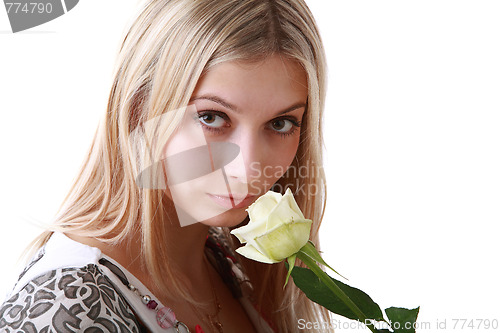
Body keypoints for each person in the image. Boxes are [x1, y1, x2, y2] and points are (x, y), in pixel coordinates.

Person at [0, 0, 330, 331]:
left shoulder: (227, 260)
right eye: (212, 117)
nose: (246, 169)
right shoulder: (66, 305)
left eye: (281, 123)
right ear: (138, 110)